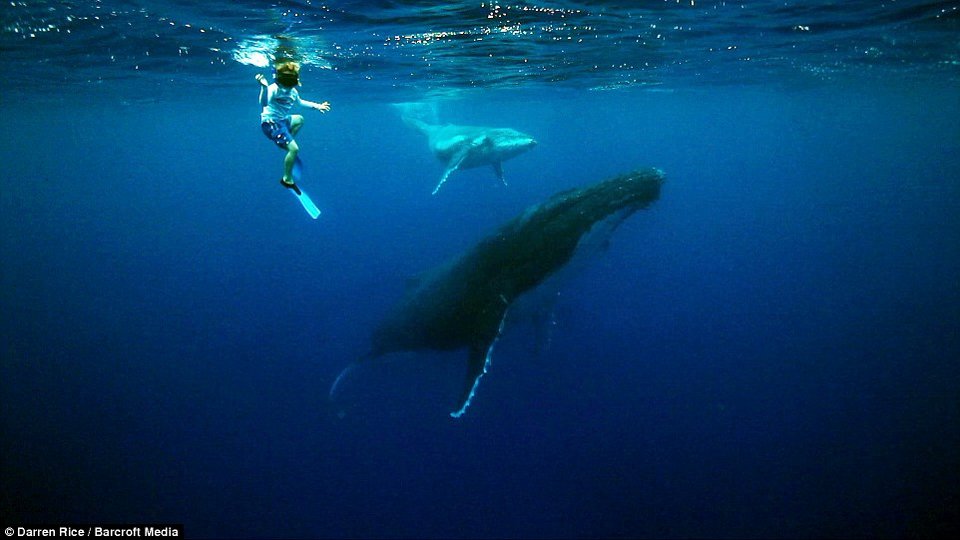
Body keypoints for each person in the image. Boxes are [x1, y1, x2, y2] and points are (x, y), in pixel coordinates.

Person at [256, 61, 331, 193]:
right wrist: (264, 87)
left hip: (282, 121)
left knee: (300, 119)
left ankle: (285, 144)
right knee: (295, 149)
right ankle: (287, 179)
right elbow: (264, 103)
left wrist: (317, 106)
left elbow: (300, 102)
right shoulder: (273, 89)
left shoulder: (293, 91)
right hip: (270, 124)